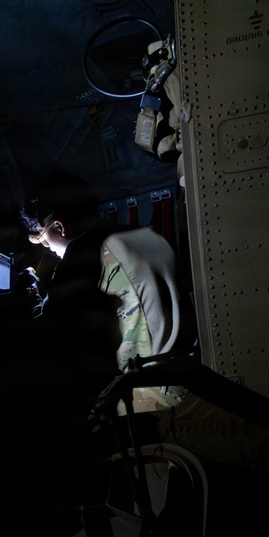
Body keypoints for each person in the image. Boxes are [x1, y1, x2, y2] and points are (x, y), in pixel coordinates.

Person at [23, 173, 188, 413]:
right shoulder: (143, 235)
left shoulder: (83, 253)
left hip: (154, 394)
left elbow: (45, 330)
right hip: (185, 375)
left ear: (58, 226)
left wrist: (29, 294)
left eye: (43, 240)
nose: (48, 250)